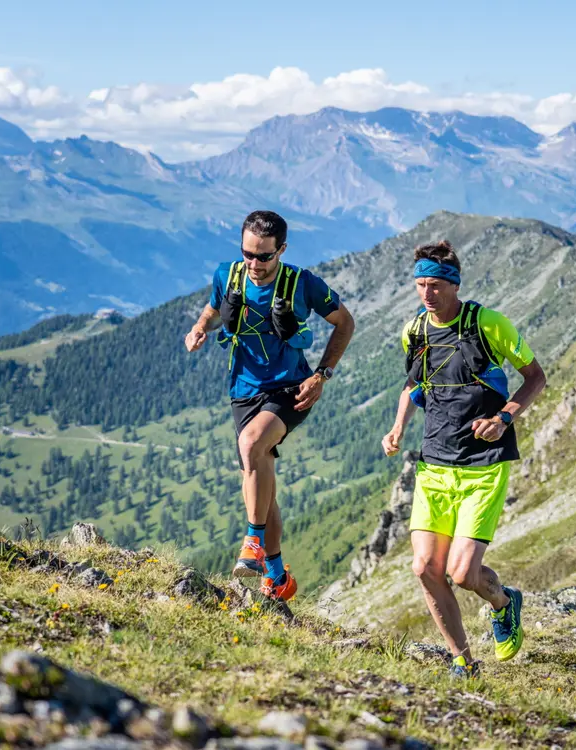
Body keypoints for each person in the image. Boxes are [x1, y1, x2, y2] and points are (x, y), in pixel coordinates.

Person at [381, 240, 546, 676]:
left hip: (482, 467)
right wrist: (398, 425)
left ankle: (504, 602)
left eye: (434, 285)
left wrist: (504, 418)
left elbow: (535, 377)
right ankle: (463, 662)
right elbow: (414, 385)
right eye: (419, 285)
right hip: (434, 465)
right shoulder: (414, 332)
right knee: (424, 568)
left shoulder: (488, 325)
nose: (426, 294)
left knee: (461, 573)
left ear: (454, 285)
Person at [185, 210, 355, 601]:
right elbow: (213, 310)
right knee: (260, 482)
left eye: (264, 256)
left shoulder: (302, 283)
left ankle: (253, 543)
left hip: (292, 389)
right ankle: (277, 577)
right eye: (248, 253)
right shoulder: (227, 275)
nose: (255, 264)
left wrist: (321, 376)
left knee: (251, 446)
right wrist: (198, 330)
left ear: (282, 249)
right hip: (243, 391)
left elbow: (345, 323)